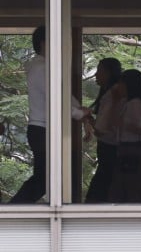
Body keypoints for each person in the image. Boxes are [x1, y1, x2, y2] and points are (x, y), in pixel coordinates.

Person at [10, 26, 90, 204]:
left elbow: (62, 95)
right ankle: (14, 209)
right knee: (44, 179)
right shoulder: (43, 67)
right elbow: (56, 99)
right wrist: (78, 113)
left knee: (44, 178)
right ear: (44, 43)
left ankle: (16, 208)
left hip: (41, 128)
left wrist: (79, 110)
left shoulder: (41, 66)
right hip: (43, 129)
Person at [109, 69, 141, 203]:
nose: (119, 87)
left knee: (132, 189)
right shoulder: (126, 104)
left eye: (122, 83)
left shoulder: (136, 105)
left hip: (132, 150)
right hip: (126, 149)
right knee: (124, 189)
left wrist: (125, 124)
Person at [84, 57, 123, 203]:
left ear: (109, 73)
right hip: (111, 150)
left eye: (99, 70)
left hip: (110, 150)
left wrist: (87, 117)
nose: (96, 75)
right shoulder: (112, 93)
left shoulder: (112, 95)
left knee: (98, 194)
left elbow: (101, 129)